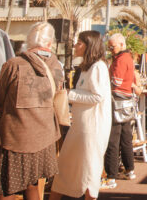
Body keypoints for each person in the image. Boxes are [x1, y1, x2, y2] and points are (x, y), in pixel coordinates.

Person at [0, 22, 64, 200]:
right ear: (50, 43)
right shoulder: (57, 67)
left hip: (15, 138)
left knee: (5, 189)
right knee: (32, 185)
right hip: (44, 137)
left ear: (29, 40)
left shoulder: (14, 64)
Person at [50, 31, 112, 200]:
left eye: (79, 43)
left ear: (88, 45)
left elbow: (97, 96)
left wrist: (70, 94)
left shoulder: (98, 67)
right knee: (66, 167)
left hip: (91, 129)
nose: (75, 46)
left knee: (88, 171)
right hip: (81, 126)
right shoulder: (88, 67)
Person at [103, 33, 137, 189]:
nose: (111, 49)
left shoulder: (120, 60)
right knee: (126, 137)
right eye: (109, 47)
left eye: (113, 46)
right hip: (127, 101)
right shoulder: (128, 58)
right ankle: (129, 170)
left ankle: (111, 176)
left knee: (113, 140)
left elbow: (116, 81)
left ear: (122, 45)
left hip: (117, 100)